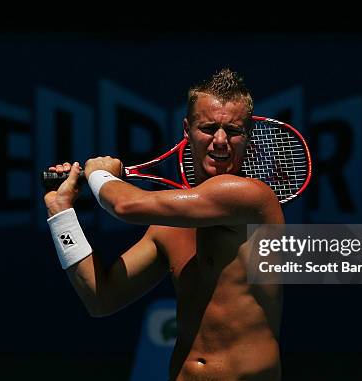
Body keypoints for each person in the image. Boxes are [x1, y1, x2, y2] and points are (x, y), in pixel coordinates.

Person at [44, 69, 285, 381]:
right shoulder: (169, 228)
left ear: (248, 135)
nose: (221, 141)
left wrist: (99, 173)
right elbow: (100, 299)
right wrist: (60, 212)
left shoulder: (251, 198)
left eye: (234, 130)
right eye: (209, 128)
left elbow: (124, 205)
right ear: (187, 129)